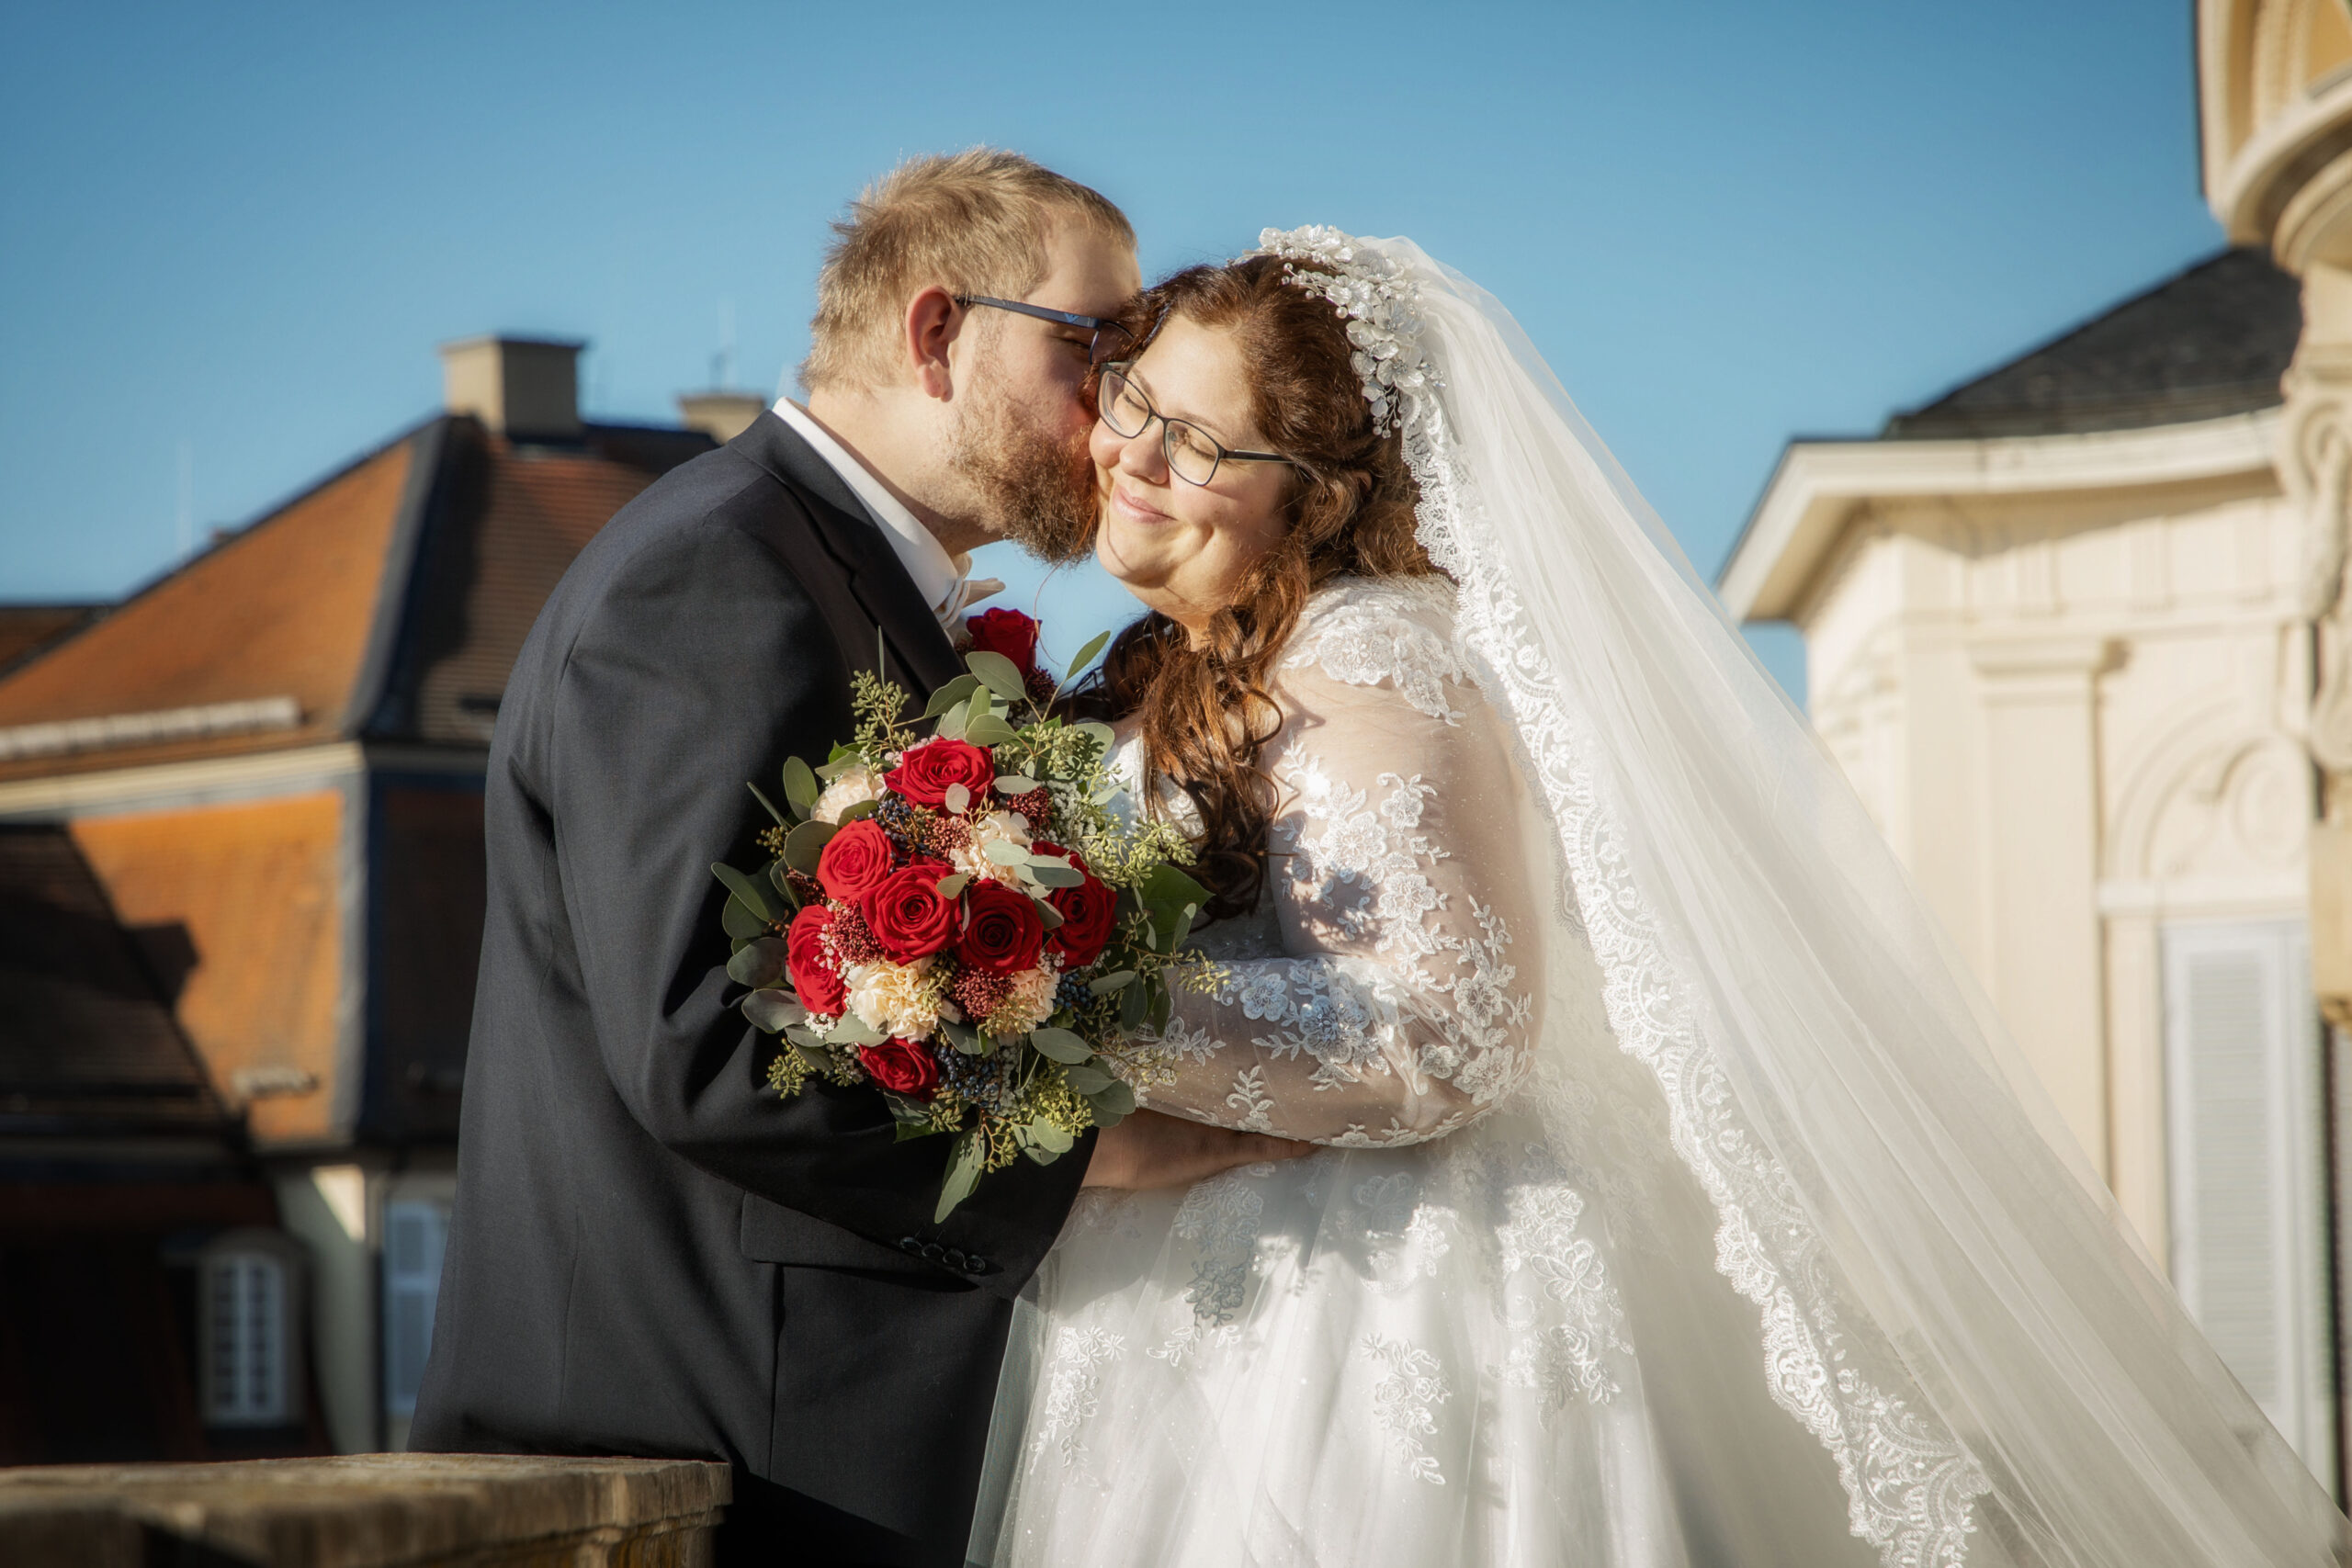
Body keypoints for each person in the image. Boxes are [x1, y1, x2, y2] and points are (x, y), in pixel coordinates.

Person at [970, 231, 2352, 1567]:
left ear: (1312, 497)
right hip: (1205, 1303)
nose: (1132, 455)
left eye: (1200, 445)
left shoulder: (1371, 661)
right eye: (1139, 398)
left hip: (1370, 1309)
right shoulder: (1182, 659)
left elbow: (1451, 1026)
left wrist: (1062, 1004)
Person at [409, 151, 1296, 1568]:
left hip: (795, 1429)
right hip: (727, 1436)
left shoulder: (839, 579)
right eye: (1096, 347)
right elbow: (704, 1047)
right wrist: (1082, 1153)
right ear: (938, 331)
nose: (1117, 410)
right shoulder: (716, 574)